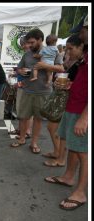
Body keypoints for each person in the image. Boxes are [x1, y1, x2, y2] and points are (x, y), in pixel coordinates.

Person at [45, 15, 88, 210]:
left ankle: (80, 193)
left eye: (83, 30)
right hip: (73, 106)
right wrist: (70, 84)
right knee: (73, 146)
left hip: (82, 111)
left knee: (83, 151)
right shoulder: (84, 58)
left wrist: (85, 117)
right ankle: (68, 177)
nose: (80, 34)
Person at [10, 29, 64, 153]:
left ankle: (34, 143)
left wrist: (45, 66)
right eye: (28, 43)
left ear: (40, 39)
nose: (29, 45)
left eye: (32, 42)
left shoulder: (52, 50)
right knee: (23, 117)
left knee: (38, 119)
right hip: (27, 90)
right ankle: (22, 139)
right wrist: (21, 71)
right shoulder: (27, 54)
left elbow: (61, 68)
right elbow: (18, 68)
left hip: (43, 91)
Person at [42, 34, 81, 167]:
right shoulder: (72, 60)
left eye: (70, 48)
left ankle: (60, 157)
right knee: (56, 129)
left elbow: (79, 83)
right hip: (65, 98)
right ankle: (57, 153)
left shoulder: (82, 63)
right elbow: (64, 72)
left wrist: (68, 84)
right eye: (67, 48)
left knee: (56, 129)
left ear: (81, 47)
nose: (68, 51)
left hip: (71, 101)